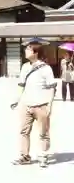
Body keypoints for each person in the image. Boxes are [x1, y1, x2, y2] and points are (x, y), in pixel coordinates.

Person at [10, 38, 57, 168]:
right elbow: (21, 85)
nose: (25, 50)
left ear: (35, 52)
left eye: (28, 48)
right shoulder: (25, 67)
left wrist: (50, 106)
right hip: (26, 105)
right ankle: (24, 156)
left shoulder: (46, 68)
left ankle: (43, 156)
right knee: (23, 131)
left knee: (43, 133)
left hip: (41, 105)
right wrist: (16, 99)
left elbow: (52, 87)